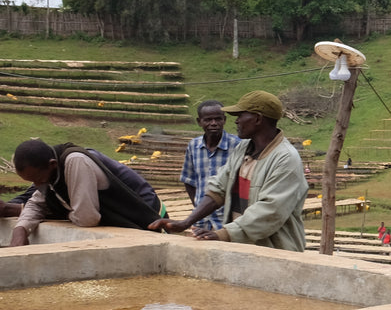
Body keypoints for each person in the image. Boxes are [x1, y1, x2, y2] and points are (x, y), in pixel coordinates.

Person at [149, 91, 309, 250]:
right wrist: (186, 222)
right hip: (242, 246)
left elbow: (270, 211)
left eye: (240, 116)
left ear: (258, 119)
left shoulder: (286, 159)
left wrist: (223, 234)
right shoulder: (243, 148)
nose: (236, 121)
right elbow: (219, 188)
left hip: (274, 249)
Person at [8, 139, 162, 247]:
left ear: (52, 164)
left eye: (38, 179)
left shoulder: (75, 161)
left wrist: (59, 211)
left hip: (147, 215)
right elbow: (37, 203)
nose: (37, 185)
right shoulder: (48, 173)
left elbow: (87, 218)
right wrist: (20, 230)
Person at [179, 100, 242, 233]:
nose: (213, 123)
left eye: (218, 119)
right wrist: (199, 209)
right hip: (201, 221)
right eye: (208, 120)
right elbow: (189, 180)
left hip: (227, 221)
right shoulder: (193, 146)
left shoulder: (238, 146)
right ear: (199, 122)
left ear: (224, 120)